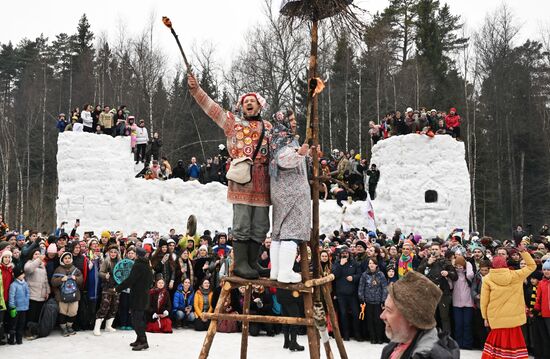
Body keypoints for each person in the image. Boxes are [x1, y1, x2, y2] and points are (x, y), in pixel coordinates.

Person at [188, 73, 272, 279]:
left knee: (261, 225)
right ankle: (241, 263)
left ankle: (252, 263)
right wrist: (196, 90)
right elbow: (212, 109)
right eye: (246, 102)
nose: (249, 104)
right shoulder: (233, 124)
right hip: (242, 178)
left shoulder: (269, 127)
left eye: (253, 101)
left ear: (260, 106)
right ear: (241, 107)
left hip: (263, 179)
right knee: (242, 223)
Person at [269, 110, 310, 284]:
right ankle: (285, 272)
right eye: (291, 120)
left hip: (284, 192)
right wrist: (300, 153)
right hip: (291, 193)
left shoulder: (283, 138)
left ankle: (276, 271)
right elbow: (283, 160)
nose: (294, 122)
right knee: (291, 233)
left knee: (279, 233)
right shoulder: (282, 138)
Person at [380, 271, 460, 358]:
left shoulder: (428, 355)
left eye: (389, 310)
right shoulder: (393, 347)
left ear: (411, 318)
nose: (382, 316)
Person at [480, 242, 536, 359]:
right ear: (505, 264)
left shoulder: (487, 279)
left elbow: (484, 301)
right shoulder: (516, 275)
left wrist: (485, 317)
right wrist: (523, 252)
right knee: (514, 349)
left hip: (496, 318)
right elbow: (532, 266)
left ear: (492, 266)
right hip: (514, 319)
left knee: (495, 350)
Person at [116, 247, 153, 351]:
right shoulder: (147, 265)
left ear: (137, 255)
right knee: (138, 318)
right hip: (144, 296)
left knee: (137, 320)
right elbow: (151, 281)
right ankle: (139, 339)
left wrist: (117, 288)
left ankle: (144, 341)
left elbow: (130, 280)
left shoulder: (137, 265)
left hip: (138, 297)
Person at [417, 242, 457, 333]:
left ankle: (446, 339)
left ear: (440, 250)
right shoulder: (426, 260)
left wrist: (448, 273)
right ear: (430, 250)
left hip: (443, 293)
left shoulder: (445, 261)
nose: (434, 251)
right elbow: (418, 273)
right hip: (429, 293)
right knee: (431, 317)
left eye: (436, 249)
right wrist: (427, 263)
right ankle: (430, 338)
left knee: (444, 317)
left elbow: (455, 276)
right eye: (433, 249)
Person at [332, 246, 362, 341]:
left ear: (349, 254)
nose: (344, 255)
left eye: (346, 253)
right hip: (341, 294)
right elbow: (335, 275)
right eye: (343, 253)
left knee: (356, 314)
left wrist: (353, 278)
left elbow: (360, 275)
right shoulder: (336, 264)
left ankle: (357, 333)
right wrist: (341, 265)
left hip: (352, 294)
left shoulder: (355, 263)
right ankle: (346, 334)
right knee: (343, 314)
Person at [51, 252, 83, 337]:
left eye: (69, 258)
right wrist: (61, 279)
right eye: (65, 258)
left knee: (73, 312)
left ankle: (69, 326)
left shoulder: (75, 269)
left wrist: (76, 278)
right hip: (62, 296)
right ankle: (63, 328)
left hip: (74, 295)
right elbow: (53, 282)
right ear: (62, 260)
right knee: (63, 313)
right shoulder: (58, 269)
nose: (67, 260)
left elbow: (81, 280)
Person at [93, 244, 120, 336]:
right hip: (107, 287)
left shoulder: (120, 262)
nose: (113, 254)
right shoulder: (106, 262)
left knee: (114, 306)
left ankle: (108, 326)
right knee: (104, 306)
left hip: (117, 287)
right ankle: (96, 328)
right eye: (111, 252)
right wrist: (105, 275)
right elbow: (100, 273)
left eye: (114, 252)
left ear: (117, 253)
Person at [23, 248, 50, 338]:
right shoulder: (29, 263)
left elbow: (45, 280)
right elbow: (28, 269)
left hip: (41, 294)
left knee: (37, 315)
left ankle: (34, 331)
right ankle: (28, 331)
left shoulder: (42, 265)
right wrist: (38, 259)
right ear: (32, 255)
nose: (38, 256)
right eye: (35, 254)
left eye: (39, 254)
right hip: (32, 294)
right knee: (31, 314)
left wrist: (47, 291)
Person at [7, 267, 29, 345]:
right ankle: (12, 339)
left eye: (23, 273)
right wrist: (12, 306)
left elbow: (27, 294)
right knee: (13, 324)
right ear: (17, 276)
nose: (23, 275)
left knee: (21, 324)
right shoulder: (13, 285)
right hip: (16, 308)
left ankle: (19, 339)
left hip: (23, 308)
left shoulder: (25, 283)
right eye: (21, 274)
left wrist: (26, 304)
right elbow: (11, 296)